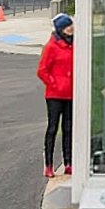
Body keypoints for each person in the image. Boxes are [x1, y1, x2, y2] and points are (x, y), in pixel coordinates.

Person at [38, 13, 74, 178]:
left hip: (71, 94)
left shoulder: (74, 45)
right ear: (61, 29)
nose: (71, 29)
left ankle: (69, 163)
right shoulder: (51, 47)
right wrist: (54, 84)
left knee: (68, 129)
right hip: (54, 95)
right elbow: (42, 71)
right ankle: (49, 165)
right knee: (52, 128)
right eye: (68, 26)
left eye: (71, 25)